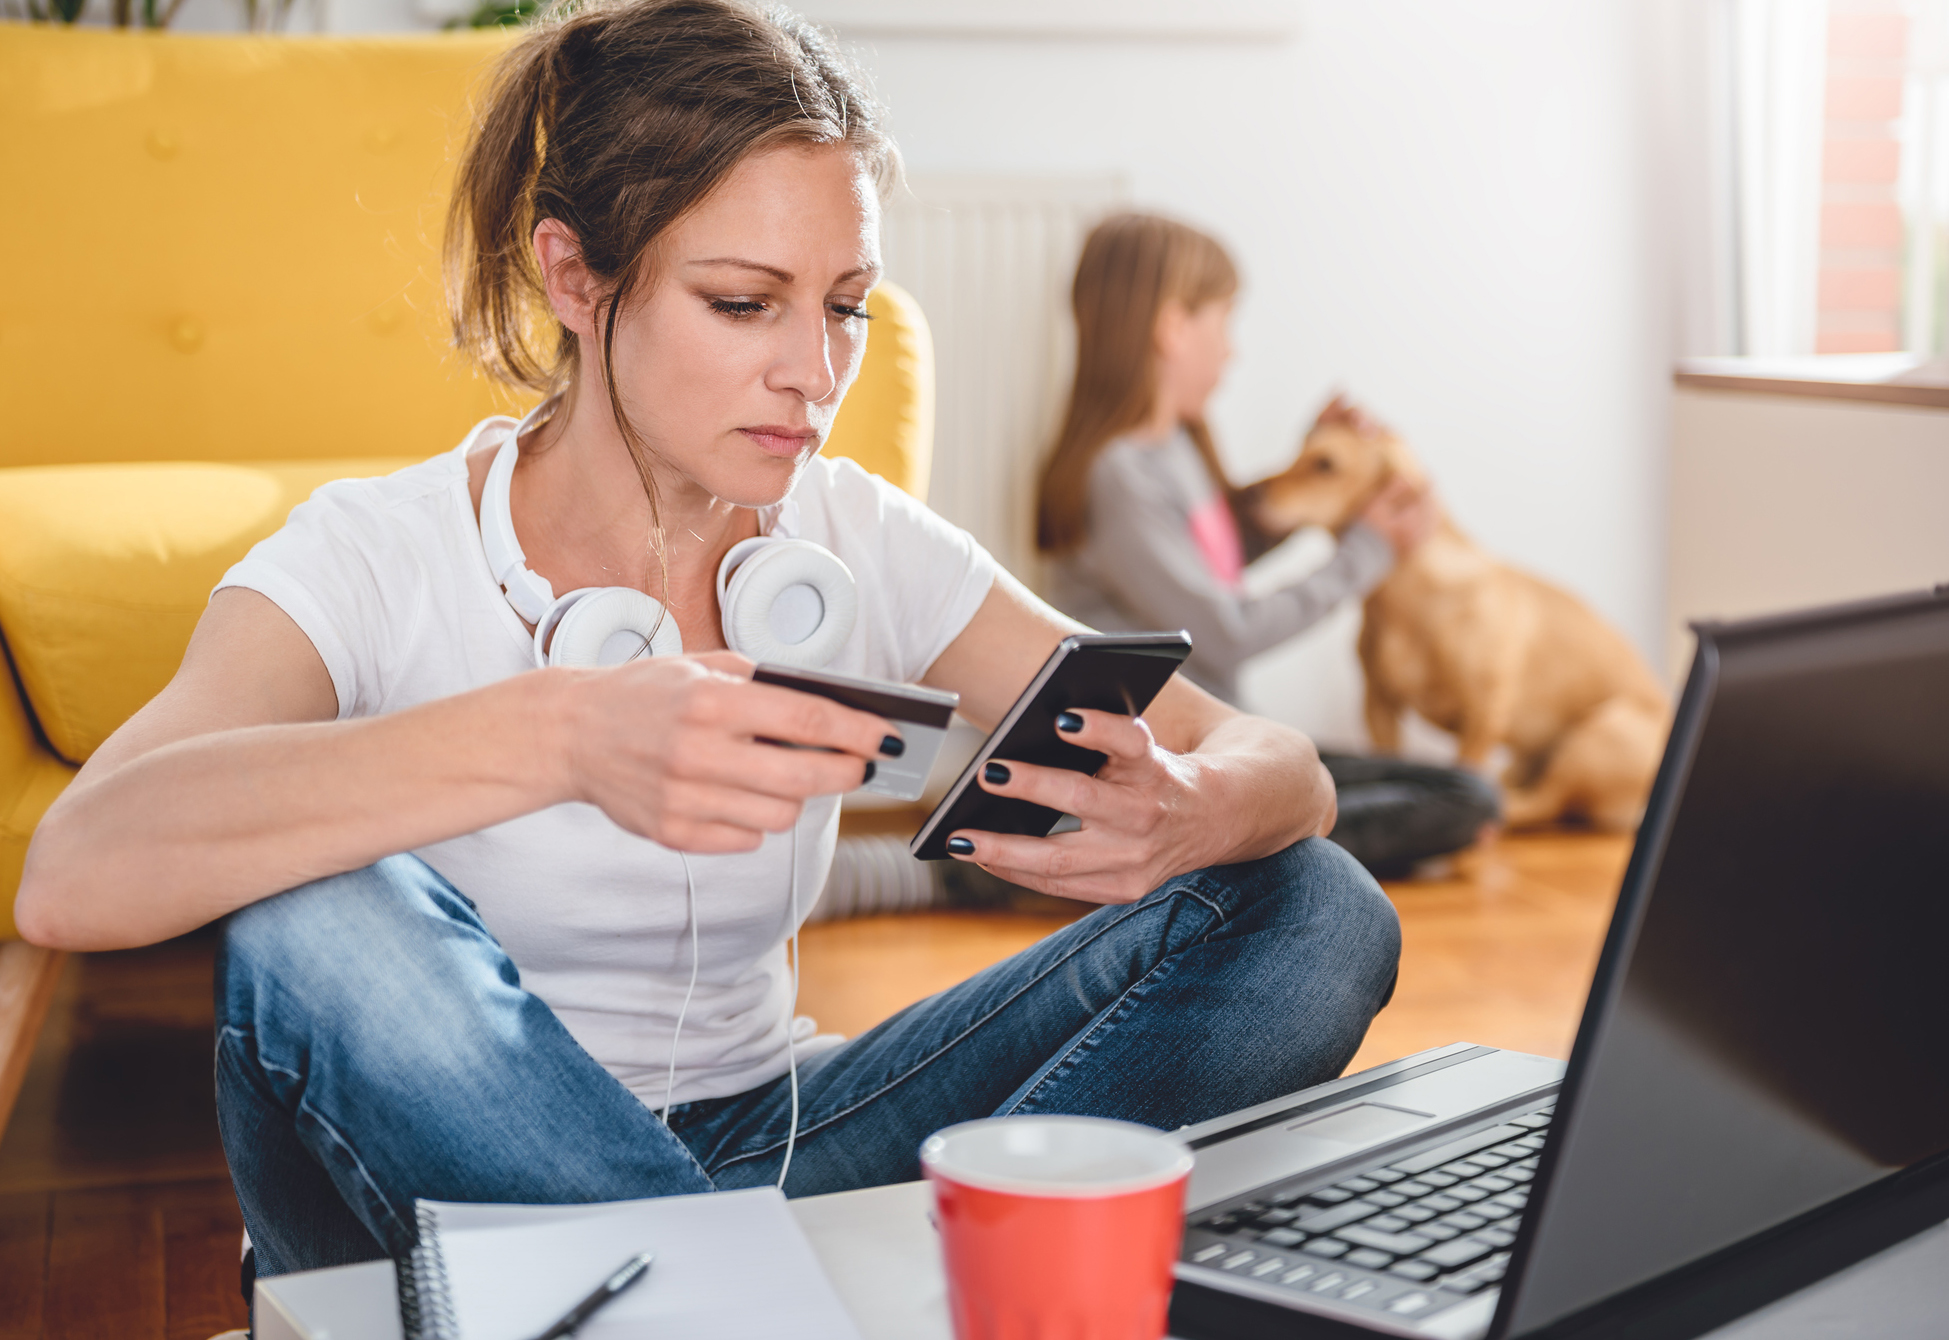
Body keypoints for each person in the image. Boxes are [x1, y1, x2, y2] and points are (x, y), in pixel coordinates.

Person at [12, 0, 1398, 1281]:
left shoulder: (848, 532)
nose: (815, 370)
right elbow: (74, 871)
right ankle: (762, 1306)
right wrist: (555, 735)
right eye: (745, 304)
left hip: (779, 1139)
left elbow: (1287, 766)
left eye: (844, 304)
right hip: (447, 1191)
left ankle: (747, 1301)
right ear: (574, 276)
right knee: (316, 907)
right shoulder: (371, 553)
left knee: (1313, 902)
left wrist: (1195, 808)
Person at [1038, 213, 1499, 878]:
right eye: (1223, 321)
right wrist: (1366, 552)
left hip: (1216, 745)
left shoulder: (1174, 449)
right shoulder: (1117, 475)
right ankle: (1204, 848)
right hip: (1167, 758)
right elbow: (1225, 632)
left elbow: (1215, 553)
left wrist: (1311, 470)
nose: (1232, 350)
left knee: (1464, 794)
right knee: (1461, 802)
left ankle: (1235, 841)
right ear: (1172, 326)